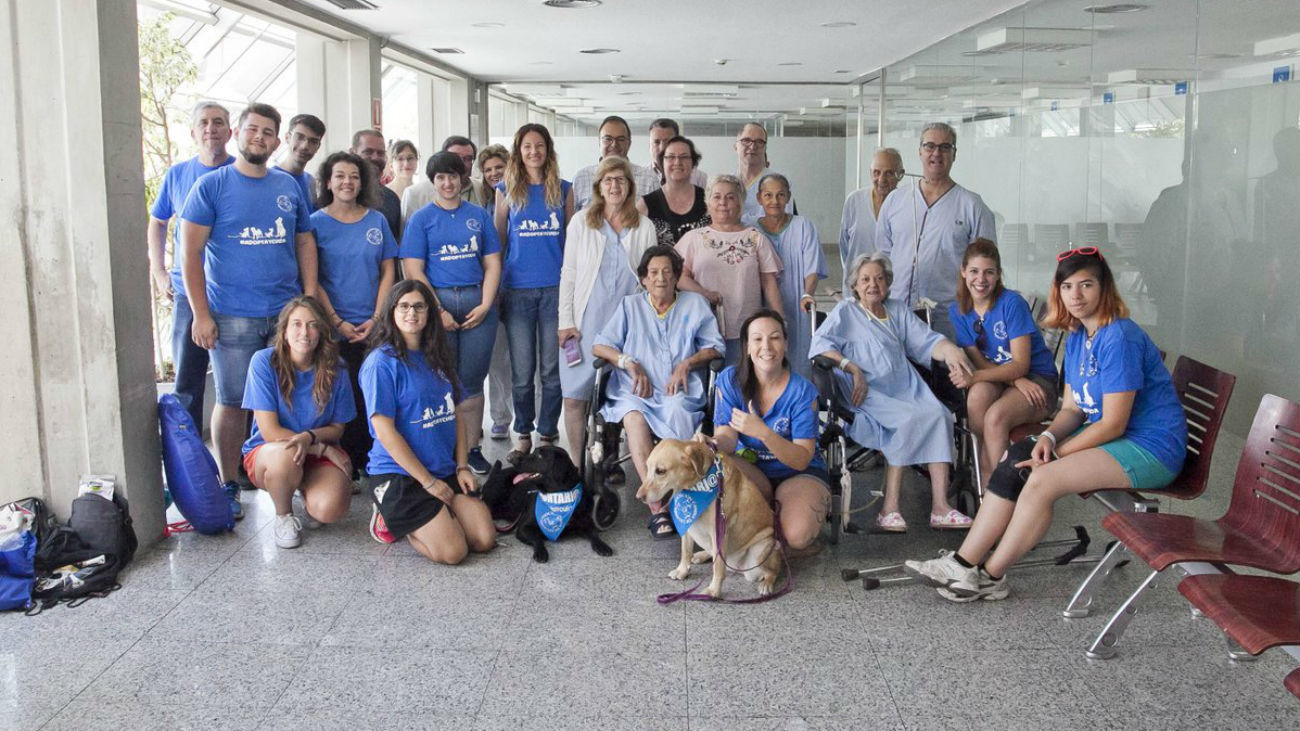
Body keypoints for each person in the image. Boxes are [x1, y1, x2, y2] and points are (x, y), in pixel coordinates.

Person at [905, 247, 1186, 601]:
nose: (1076, 296)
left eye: (1086, 285)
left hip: (1150, 447)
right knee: (1018, 457)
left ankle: (990, 575)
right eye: (1067, 287)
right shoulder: (1081, 336)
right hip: (1116, 438)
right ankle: (964, 564)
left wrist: (1055, 454)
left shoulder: (1119, 337)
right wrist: (1050, 437)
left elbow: (1113, 423)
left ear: (1105, 289)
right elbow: (1071, 408)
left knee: (1039, 477)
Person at [180, 102, 318, 521]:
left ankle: (286, 476)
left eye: (267, 132)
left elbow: (304, 242)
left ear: (277, 141)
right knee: (234, 400)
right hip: (231, 316)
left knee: (288, 397)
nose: (259, 137)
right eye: (252, 130)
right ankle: (229, 482)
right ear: (238, 133)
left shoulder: (288, 186)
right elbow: (189, 254)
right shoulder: (211, 187)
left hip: (285, 314)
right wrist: (201, 315)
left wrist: (309, 299)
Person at [810, 253, 975, 532]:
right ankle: (889, 509)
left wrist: (951, 351)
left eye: (879, 278)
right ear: (855, 285)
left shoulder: (897, 310)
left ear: (888, 283)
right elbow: (819, 347)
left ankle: (941, 507)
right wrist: (851, 367)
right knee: (908, 420)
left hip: (906, 387)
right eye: (865, 279)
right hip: (866, 392)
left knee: (939, 414)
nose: (873, 284)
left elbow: (927, 341)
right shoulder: (845, 312)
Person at [591, 246, 725, 539]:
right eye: (653, 273)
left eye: (667, 271)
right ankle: (658, 510)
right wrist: (627, 362)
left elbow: (716, 346)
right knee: (634, 417)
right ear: (644, 279)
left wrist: (687, 364)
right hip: (634, 390)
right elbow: (600, 346)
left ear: (677, 276)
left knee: (678, 410)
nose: (661, 278)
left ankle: (684, 497)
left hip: (678, 389)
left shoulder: (694, 304)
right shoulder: (630, 306)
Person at [359, 280, 496, 563]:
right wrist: (428, 483)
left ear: (429, 313)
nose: (412, 313)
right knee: (453, 552)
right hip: (402, 477)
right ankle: (389, 519)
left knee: (484, 540)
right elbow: (384, 431)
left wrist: (461, 467)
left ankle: (437, 516)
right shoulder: (380, 363)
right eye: (404, 306)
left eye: (419, 306)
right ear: (391, 311)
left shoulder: (437, 354)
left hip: (443, 469)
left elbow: (455, 413)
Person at [401, 151, 502, 476]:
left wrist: (486, 304)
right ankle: (444, 449)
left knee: (472, 381)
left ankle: (472, 449)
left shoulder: (479, 216)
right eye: (441, 178)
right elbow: (413, 267)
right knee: (440, 378)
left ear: (463, 179)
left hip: (476, 299)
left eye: (453, 177)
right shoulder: (422, 219)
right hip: (436, 302)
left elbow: (492, 262)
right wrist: (437, 309)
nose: (447, 183)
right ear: (433, 182)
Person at [558, 156, 657, 464]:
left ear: (630, 186)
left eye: (621, 180)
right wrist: (565, 321)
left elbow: (651, 278)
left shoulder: (643, 226)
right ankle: (577, 464)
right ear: (599, 185)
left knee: (620, 395)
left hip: (629, 326)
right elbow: (569, 272)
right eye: (608, 180)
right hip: (585, 322)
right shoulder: (581, 222)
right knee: (574, 397)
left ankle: (610, 461)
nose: (615, 186)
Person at [709, 310, 830, 550]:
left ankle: (778, 516)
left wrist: (763, 432)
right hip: (751, 469)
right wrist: (710, 444)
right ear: (746, 346)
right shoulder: (730, 381)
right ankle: (766, 514)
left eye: (774, 338)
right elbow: (727, 439)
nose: (766, 346)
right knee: (716, 461)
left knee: (796, 536)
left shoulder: (803, 391)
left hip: (797, 473)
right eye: (757, 339)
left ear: (785, 344)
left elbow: (801, 459)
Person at [310, 151, 398, 482]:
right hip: (331, 327)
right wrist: (335, 321)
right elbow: (312, 276)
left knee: (373, 393)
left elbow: (388, 267)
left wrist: (378, 317)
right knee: (337, 394)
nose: (348, 182)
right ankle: (342, 462)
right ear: (328, 182)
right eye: (340, 176)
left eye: (354, 176)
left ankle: (372, 460)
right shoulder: (315, 223)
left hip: (374, 326)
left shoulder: (376, 220)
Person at [240, 296, 354, 548]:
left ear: (322, 331)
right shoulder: (263, 362)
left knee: (328, 510)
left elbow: (338, 427)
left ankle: (307, 491)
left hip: (313, 450)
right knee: (285, 456)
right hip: (270, 452)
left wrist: (312, 440)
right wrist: (319, 447)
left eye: (313, 325)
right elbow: (270, 431)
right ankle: (284, 515)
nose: (305, 332)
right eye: (297, 324)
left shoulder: (337, 368)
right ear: (284, 329)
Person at [148, 101, 233, 429]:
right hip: (187, 293)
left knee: (238, 386)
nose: (211, 128)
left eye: (218, 122)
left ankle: (241, 463)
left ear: (230, 130)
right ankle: (189, 466)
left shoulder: (240, 173)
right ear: (193, 131)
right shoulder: (178, 174)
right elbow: (157, 222)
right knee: (187, 383)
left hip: (232, 296)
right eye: (204, 123)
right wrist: (158, 272)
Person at [947, 239, 1058, 492]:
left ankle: (999, 495)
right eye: (974, 271)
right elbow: (980, 362)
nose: (981, 279)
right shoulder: (959, 310)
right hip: (1007, 379)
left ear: (998, 275)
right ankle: (984, 482)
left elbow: (1021, 363)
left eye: (989, 272)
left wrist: (978, 377)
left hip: (1038, 382)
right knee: (976, 398)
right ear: (963, 271)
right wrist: (1012, 379)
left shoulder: (1011, 304)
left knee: (995, 418)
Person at [494, 123, 574, 464]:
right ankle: (523, 433)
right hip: (517, 292)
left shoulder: (564, 189)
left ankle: (547, 432)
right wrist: (495, 291)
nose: (533, 152)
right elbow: (497, 243)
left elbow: (573, 245)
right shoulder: (506, 190)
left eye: (539, 145)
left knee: (552, 371)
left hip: (556, 290)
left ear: (548, 149)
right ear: (518, 150)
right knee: (523, 371)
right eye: (527, 146)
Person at [874, 122, 995, 340]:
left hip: (948, 321)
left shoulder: (972, 206)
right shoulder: (896, 201)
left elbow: (986, 269)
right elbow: (882, 257)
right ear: (919, 151)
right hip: (896, 315)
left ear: (954, 154)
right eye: (930, 146)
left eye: (945, 147)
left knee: (944, 373)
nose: (936, 153)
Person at [674, 174, 783, 364]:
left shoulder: (755, 238)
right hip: (703, 326)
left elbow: (769, 284)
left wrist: (780, 324)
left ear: (740, 203)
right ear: (708, 203)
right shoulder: (694, 238)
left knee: (742, 382)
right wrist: (705, 293)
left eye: (730, 197)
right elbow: (678, 277)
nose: (723, 203)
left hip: (747, 328)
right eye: (717, 197)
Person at [754, 173, 826, 379]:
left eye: (780, 195)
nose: (774, 201)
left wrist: (806, 294)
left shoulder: (803, 226)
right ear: (759, 198)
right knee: (764, 354)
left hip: (796, 303)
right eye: (768, 195)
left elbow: (812, 269)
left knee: (797, 356)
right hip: (760, 303)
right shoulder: (750, 227)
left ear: (788, 197)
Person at [476, 143, 513, 441]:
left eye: (498, 167)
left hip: (521, 283)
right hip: (493, 288)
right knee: (497, 357)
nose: (493, 174)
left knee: (532, 360)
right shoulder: (483, 206)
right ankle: (501, 417)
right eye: (487, 170)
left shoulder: (520, 198)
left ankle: (535, 418)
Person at [838, 147, 904, 294]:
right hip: (856, 289)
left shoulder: (906, 205)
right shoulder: (854, 201)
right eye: (876, 172)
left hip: (892, 290)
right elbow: (844, 246)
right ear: (870, 173)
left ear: (900, 175)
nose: (881, 179)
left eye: (889, 173)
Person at [571, 115, 661, 209]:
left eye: (621, 139)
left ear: (629, 143)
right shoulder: (581, 178)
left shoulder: (649, 179)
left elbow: (657, 219)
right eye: (608, 139)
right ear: (599, 142)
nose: (614, 144)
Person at [641, 135, 711, 247]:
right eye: (671, 157)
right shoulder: (645, 205)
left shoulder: (709, 199)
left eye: (684, 157)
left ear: (693, 163)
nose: (677, 162)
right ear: (662, 162)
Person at [402, 136, 491, 222]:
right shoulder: (415, 194)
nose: (461, 163)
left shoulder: (482, 188)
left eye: (468, 159)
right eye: (455, 157)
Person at [733, 122, 794, 223]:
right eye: (746, 140)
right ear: (735, 147)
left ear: (765, 148)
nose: (752, 147)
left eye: (759, 142)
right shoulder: (727, 183)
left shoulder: (779, 182)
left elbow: (783, 225)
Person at [351, 129, 403, 242]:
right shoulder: (338, 195)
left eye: (380, 153)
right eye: (368, 152)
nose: (375, 157)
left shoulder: (391, 199)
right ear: (352, 153)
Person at [272, 114, 325, 212]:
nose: (305, 146)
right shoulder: (270, 179)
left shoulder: (310, 182)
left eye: (313, 141)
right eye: (300, 137)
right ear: (287, 137)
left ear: (318, 147)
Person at [648, 118, 708, 187]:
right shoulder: (637, 178)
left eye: (668, 142)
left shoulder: (700, 179)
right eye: (656, 142)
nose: (662, 148)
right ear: (649, 146)